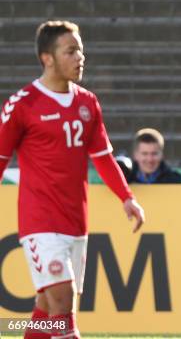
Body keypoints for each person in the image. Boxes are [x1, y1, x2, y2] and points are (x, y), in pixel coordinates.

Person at [0, 20, 145, 339]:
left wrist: (126, 197)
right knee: (64, 307)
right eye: (71, 51)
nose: (80, 56)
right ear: (47, 58)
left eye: (80, 49)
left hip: (75, 222)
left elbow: (103, 158)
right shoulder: (23, 104)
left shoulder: (87, 103)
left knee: (47, 309)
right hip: (39, 222)